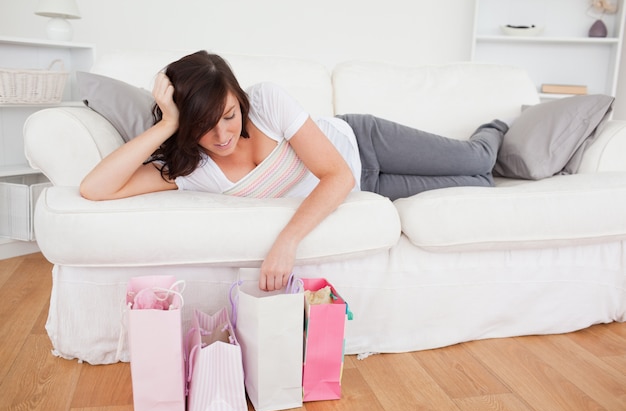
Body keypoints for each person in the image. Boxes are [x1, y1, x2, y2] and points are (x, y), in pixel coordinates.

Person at [80, 50, 507, 291]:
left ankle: (498, 127)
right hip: (367, 189)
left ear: (240, 99)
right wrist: (168, 124)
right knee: (479, 185)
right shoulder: (189, 169)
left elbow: (335, 174)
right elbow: (94, 189)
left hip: (363, 144)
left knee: (477, 161)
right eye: (203, 127)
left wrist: (287, 242)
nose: (224, 134)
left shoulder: (266, 102)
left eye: (229, 115)